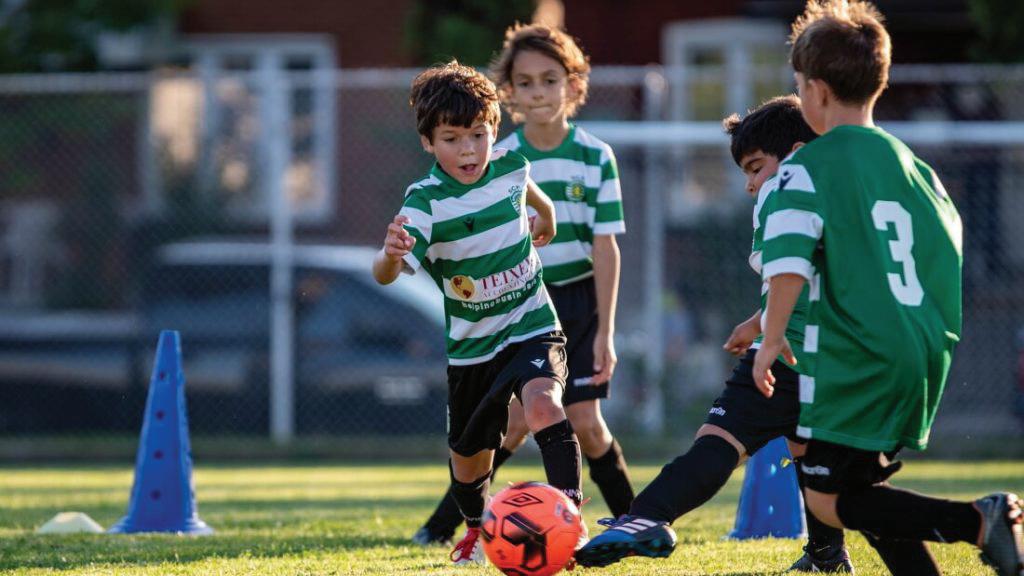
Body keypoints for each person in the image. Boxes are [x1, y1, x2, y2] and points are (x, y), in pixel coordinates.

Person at [751, 2, 1023, 575]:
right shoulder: (916, 168)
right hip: (920, 346)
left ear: (816, 90)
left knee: (827, 499)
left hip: (857, 357)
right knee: (864, 489)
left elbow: (789, 262)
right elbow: (946, 253)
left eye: (798, 86)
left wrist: (771, 338)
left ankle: (979, 520)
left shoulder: (807, 167)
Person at [575, 95, 855, 572]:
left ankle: (647, 515)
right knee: (807, 451)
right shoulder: (837, 196)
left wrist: (769, 337)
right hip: (833, 355)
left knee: (720, 439)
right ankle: (827, 553)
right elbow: (813, 278)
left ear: (795, 152)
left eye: (755, 168)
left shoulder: (784, 189)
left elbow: (789, 271)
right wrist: (758, 320)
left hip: (787, 352)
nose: (750, 184)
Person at [413, 23, 634, 547]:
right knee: (512, 426)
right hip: (513, 305)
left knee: (584, 420)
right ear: (508, 94)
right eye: (525, 83)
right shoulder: (492, 156)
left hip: (576, 302)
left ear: (573, 84)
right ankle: (450, 525)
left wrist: (606, 331)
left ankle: (634, 518)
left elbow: (605, 246)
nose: (538, 93)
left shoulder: (595, 156)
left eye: (549, 80)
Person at [372, 61, 583, 566]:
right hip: (473, 349)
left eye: (478, 135)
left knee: (543, 406)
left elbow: (527, 188)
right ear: (428, 142)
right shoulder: (425, 202)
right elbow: (383, 275)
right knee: (469, 463)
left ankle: (569, 523)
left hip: (532, 322)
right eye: (451, 139)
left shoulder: (510, 165)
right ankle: (474, 527)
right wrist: (391, 253)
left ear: (493, 129)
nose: (468, 150)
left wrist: (547, 215)